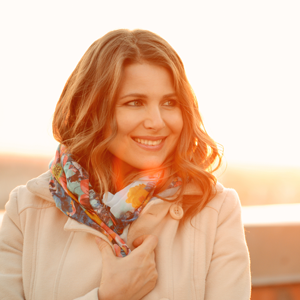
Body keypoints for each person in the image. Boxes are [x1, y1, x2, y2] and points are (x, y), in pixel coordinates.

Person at [0, 29, 251, 300]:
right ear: (92, 109)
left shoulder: (216, 210)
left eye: (169, 102)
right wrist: (108, 297)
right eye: (134, 103)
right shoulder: (26, 210)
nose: (157, 121)